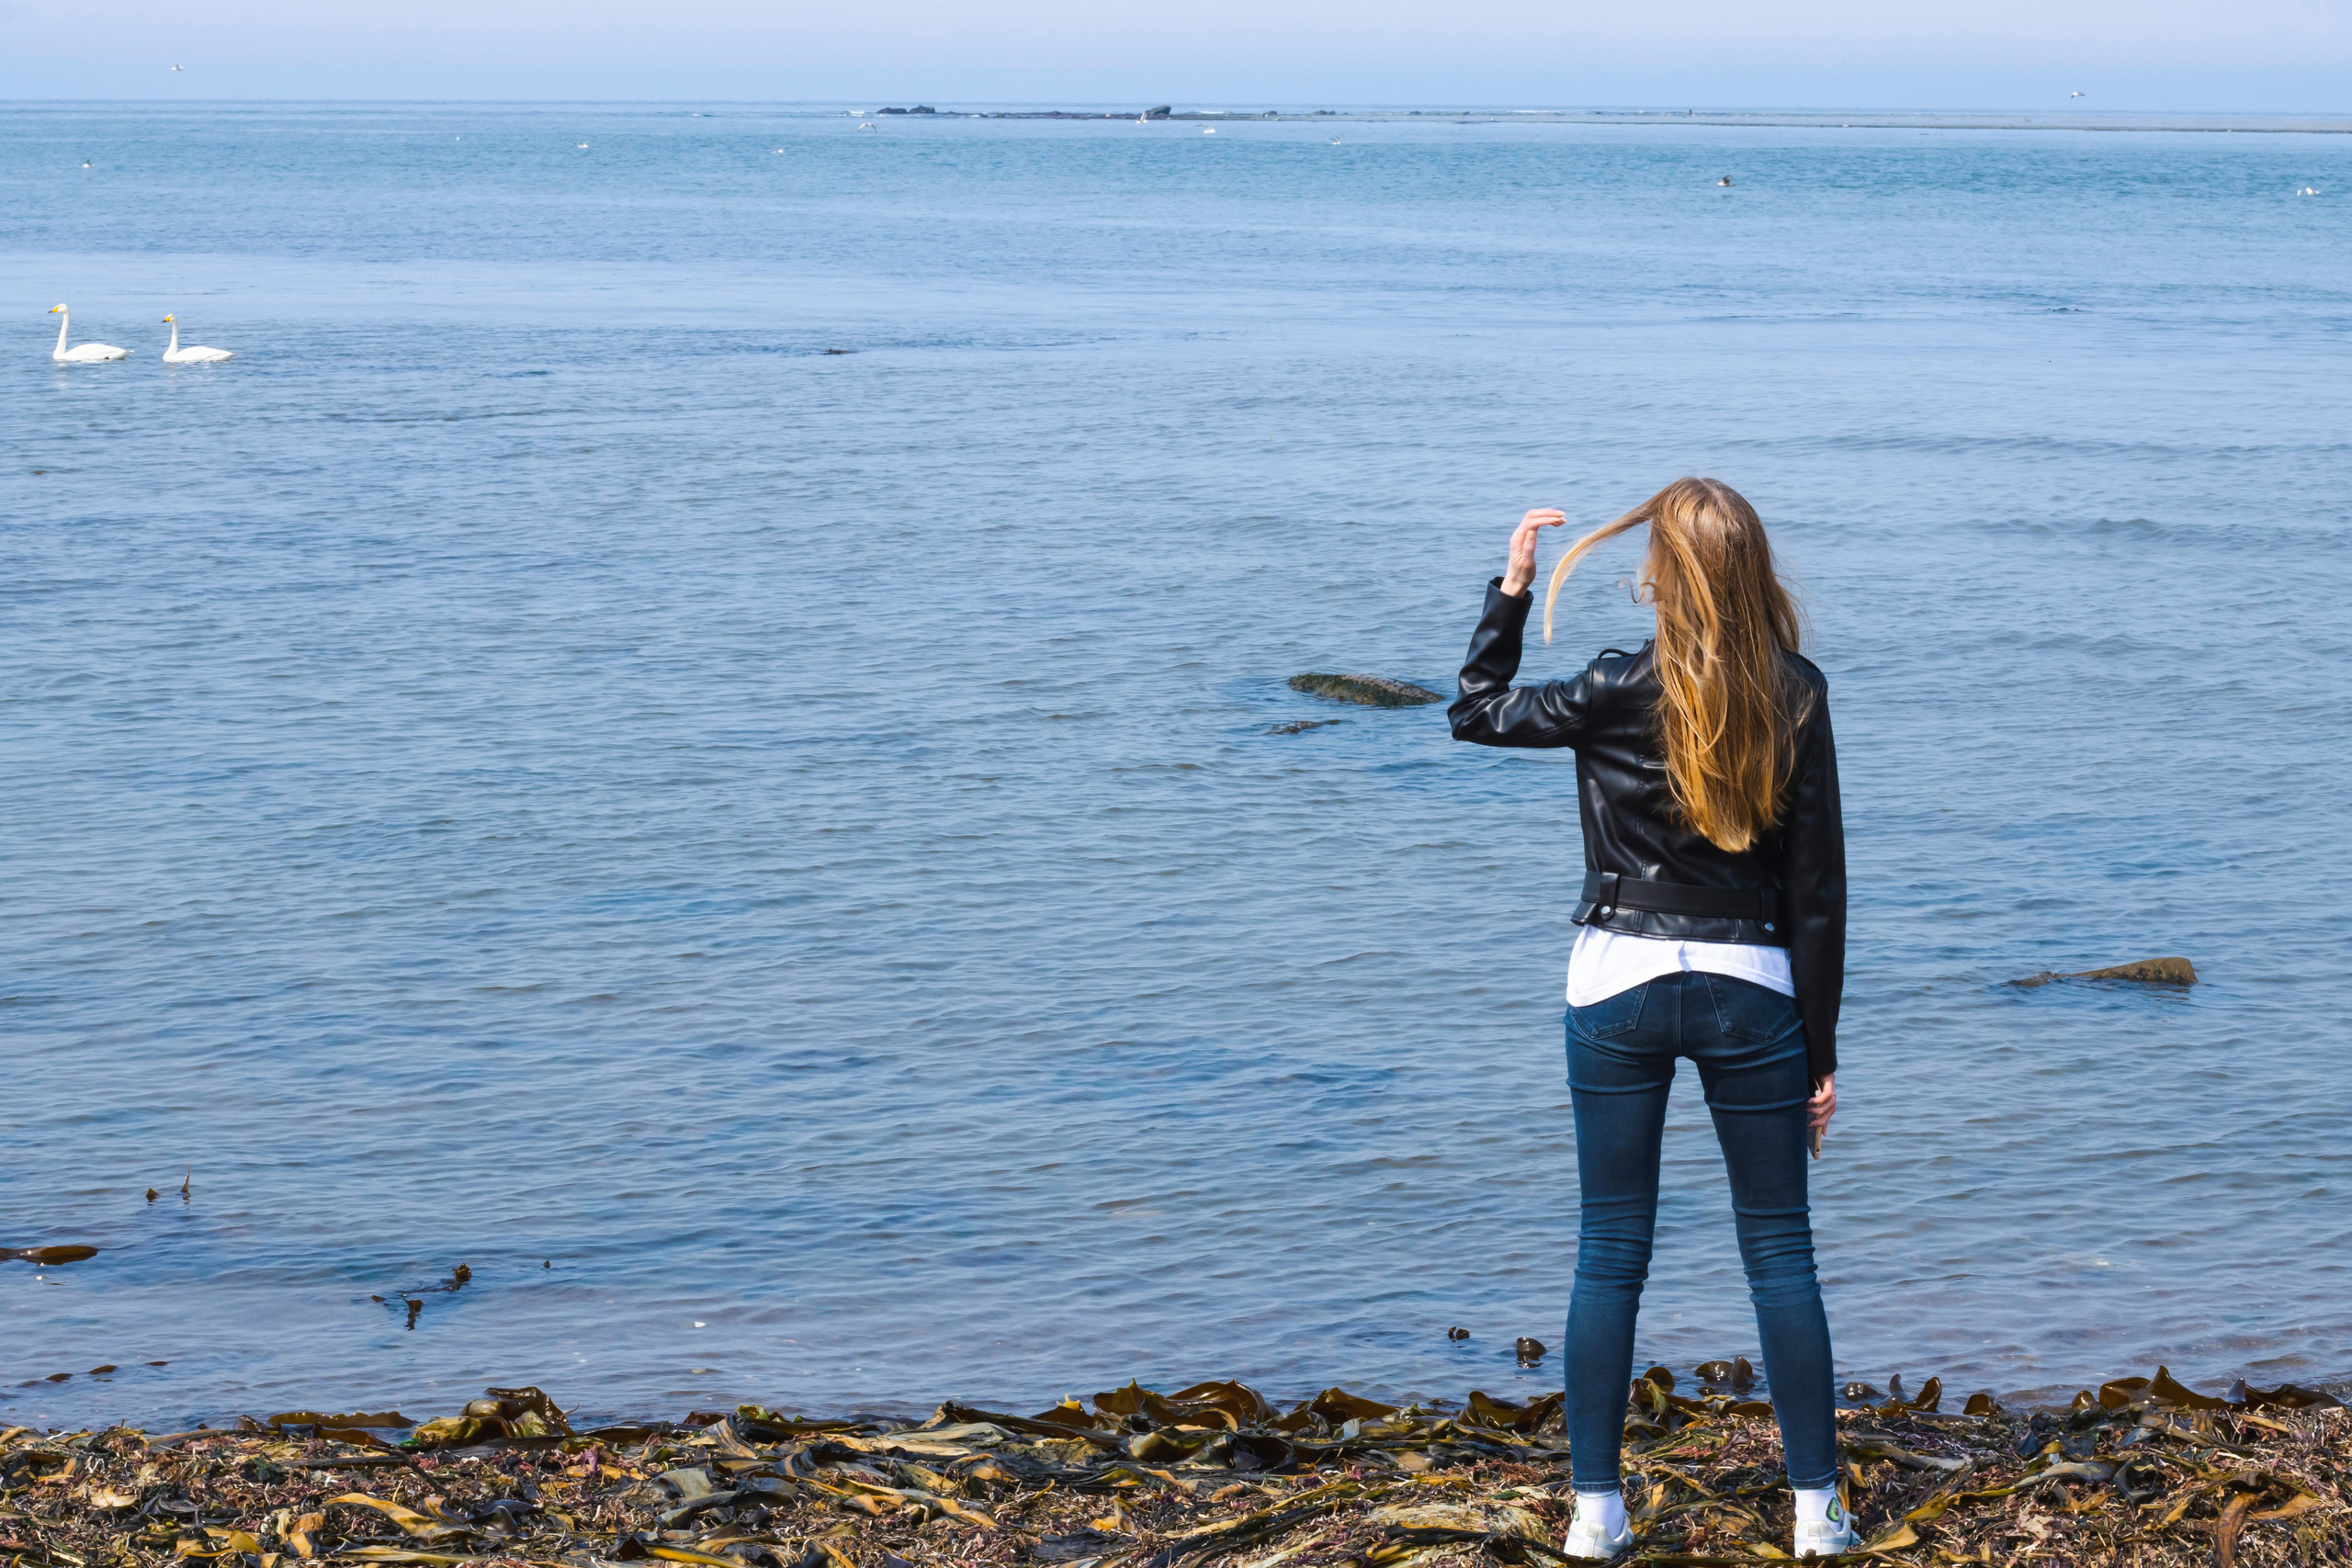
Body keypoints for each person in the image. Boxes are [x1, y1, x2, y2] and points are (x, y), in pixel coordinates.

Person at [1448, 479, 1852, 1560]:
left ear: (1662, 573)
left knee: (1609, 1249)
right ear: (1750, 567)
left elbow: (1474, 714)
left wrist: (1511, 590)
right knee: (1779, 1253)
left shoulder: (1613, 684)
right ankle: (1817, 1516)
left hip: (1616, 979)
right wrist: (1819, 1053)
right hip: (1751, 989)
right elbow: (1816, 893)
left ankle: (1595, 1519)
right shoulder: (1797, 692)